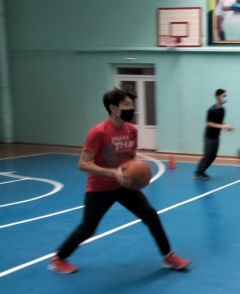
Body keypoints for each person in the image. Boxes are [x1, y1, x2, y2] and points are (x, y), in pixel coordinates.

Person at [49, 89, 190, 274]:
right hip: (100, 188)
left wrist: (137, 171)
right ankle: (59, 258)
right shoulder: (98, 132)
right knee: (87, 229)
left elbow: (131, 156)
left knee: (151, 216)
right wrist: (112, 173)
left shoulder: (132, 130)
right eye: (127, 105)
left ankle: (168, 256)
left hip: (125, 185)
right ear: (113, 108)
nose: (132, 108)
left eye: (132, 105)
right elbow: (83, 164)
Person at [195, 88, 234, 180]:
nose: (225, 98)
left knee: (213, 156)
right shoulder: (211, 110)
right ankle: (198, 173)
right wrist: (223, 126)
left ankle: (202, 171)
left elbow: (220, 122)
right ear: (218, 97)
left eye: (226, 96)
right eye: (224, 96)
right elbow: (209, 123)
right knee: (207, 155)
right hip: (209, 137)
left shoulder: (223, 110)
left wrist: (227, 127)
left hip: (216, 136)